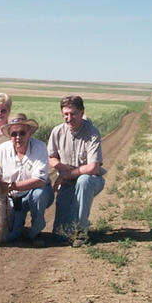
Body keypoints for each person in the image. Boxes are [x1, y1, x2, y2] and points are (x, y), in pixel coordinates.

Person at [48, 95, 106, 247]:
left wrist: (68, 175)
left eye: (72, 114)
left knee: (83, 181)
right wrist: (60, 167)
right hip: (67, 181)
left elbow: (93, 167)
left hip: (92, 179)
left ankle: (82, 232)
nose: (69, 118)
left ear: (82, 112)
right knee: (60, 234)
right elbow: (51, 157)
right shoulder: (58, 132)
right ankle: (70, 228)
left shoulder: (92, 133)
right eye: (65, 114)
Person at [0, 113, 54, 247]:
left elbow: (40, 180)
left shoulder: (40, 147)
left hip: (35, 192)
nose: (18, 137)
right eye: (14, 134)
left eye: (22, 133)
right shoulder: (1, 150)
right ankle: (19, 227)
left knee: (39, 194)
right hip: (13, 198)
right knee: (10, 237)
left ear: (29, 133)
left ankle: (36, 233)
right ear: (9, 135)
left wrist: (12, 186)